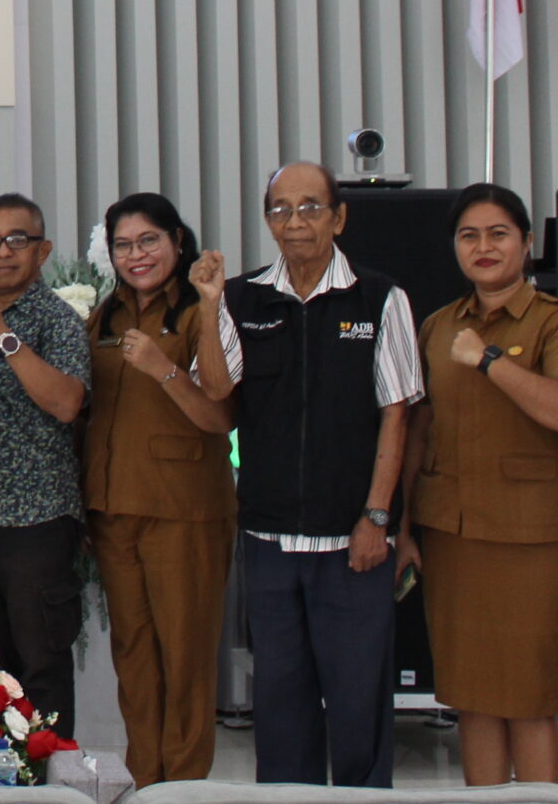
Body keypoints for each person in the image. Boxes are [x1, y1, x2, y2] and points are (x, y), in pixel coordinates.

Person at [192, 161, 420, 788]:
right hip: (269, 541)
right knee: (281, 710)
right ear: (268, 221)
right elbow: (216, 389)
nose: (295, 222)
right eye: (280, 209)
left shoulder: (380, 299)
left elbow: (396, 415)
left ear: (339, 218)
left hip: (353, 543)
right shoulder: (242, 297)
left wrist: (378, 517)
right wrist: (209, 307)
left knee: (357, 706)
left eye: (310, 207)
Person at [394, 183, 558, 788]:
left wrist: (489, 359)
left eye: (498, 234)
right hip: (454, 533)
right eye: (469, 236)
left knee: (531, 698)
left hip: (538, 538)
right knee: (471, 696)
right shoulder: (438, 326)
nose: (483, 247)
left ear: (527, 243)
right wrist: (402, 526)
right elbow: (419, 430)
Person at [81, 193, 235, 787]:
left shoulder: (200, 309)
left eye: (149, 240)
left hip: (184, 511)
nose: (136, 255)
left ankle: (186, 789)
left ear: (177, 240)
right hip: (113, 511)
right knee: (135, 658)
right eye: (123, 244)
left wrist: (164, 369)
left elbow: (221, 412)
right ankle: (145, 783)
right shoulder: (105, 314)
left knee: (185, 657)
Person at [0, 193, 89, 739]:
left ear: (42, 250)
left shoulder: (57, 319)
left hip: (38, 519)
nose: (3, 251)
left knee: (41, 663)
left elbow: (67, 403)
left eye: (17, 239)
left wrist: (2, 337)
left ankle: (53, 775)